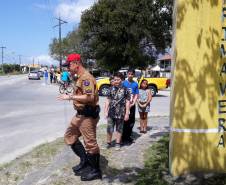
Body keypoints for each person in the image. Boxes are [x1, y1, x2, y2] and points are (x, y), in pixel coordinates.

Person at [57, 53, 102, 181]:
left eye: (69, 66)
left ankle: (96, 171)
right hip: (79, 115)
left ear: (76, 63)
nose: (68, 69)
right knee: (69, 136)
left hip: (87, 116)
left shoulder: (86, 77)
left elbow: (90, 97)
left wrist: (70, 97)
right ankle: (85, 160)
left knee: (90, 144)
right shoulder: (79, 77)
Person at [104, 73, 130, 150]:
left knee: (119, 129)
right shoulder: (110, 89)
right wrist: (105, 111)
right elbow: (107, 100)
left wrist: (127, 113)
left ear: (121, 80)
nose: (116, 81)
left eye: (118, 79)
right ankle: (108, 143)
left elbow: (128, 102)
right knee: (109, 128)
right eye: (115, 79)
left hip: (121, 112)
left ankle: (117, 143)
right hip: (111, 112)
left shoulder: (126, 90)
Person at [121, 69, 139, 144]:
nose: (130, 75)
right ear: (127, 74)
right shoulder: (123, 83)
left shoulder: (135, 84)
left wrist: (133, 103)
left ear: (133, 75)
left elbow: (136, 95)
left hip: (132, 105)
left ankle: (128, 136)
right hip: (124, 105)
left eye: (132, 74)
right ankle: (122, 137)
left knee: (131, 121)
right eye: (129, 74)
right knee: (124, 121)